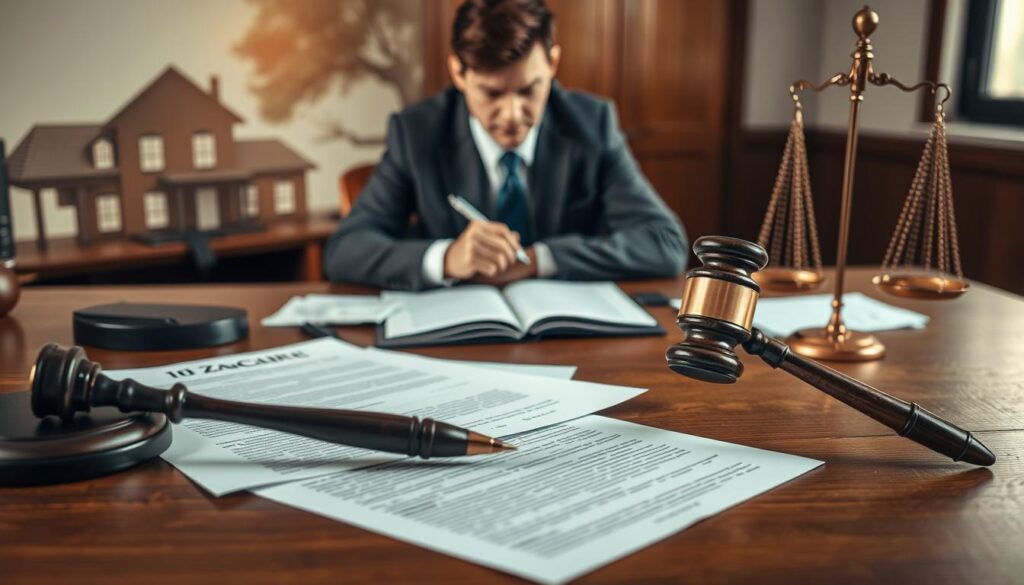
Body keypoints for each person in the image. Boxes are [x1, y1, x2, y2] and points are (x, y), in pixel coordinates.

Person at [324, 0, 687, 290]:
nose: (512, 115)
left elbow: (665, 243)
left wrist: (539, 259)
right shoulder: (416, 132)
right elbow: (345, 250)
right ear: (458, 73)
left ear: (553, 63)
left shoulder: (592, 124)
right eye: (492, 93)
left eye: (529, 90)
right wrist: (448, 258)